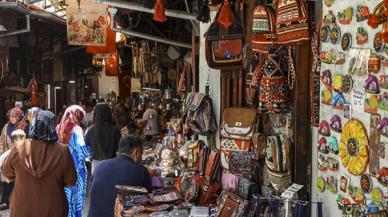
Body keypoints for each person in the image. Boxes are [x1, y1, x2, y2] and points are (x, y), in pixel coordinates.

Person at [2, 110, 76, 217]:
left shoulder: (19, 147)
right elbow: (71, 180)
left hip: (22, 209)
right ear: (52, 126)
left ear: (34, 125)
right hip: (54, 209)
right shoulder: (63, 151)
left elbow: (6, 173)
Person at [87, 135, 151, 217]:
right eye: (141, 154)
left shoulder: (99, 166)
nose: (141, 158)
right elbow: (148, 201)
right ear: (136, 152)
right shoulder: (141, 171)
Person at [57, 105, 92, 217]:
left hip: (60, 169)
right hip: (76, 169)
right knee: (76, 199)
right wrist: (91, 151)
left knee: (64, 199)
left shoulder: (58, 129)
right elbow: (83, 152)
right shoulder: (76, 130)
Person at [0, 107, 27, 210]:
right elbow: (2, 139)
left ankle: (15, 201)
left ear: (19, 117)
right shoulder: (6, 126)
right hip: (7, 156)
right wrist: (2, 152)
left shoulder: (24, 127)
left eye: (14, 116)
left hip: (19, 157)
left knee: (17, 180)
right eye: (10, 116)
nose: (11, 118)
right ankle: (4, 201)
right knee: (6, 178)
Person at [85, 102, 121, 173]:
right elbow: (119, 148)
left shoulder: (90, 130)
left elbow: (87, 149)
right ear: (108, 114)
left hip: (96, 165)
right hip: (112, 164)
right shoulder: (114, 130)